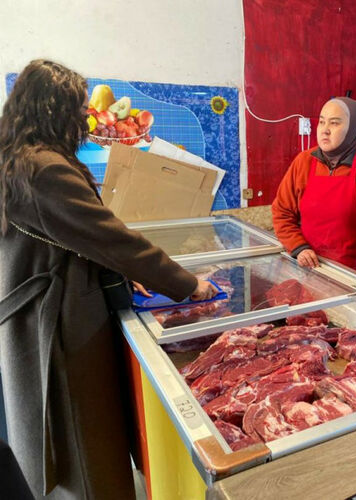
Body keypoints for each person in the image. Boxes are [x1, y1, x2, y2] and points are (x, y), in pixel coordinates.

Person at [0, 60, 217, 499]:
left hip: (36, 313)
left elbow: (73, 237)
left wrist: (122, 273)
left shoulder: (17, 159)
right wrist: (187, 284)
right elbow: (109, 237)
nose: (84, 117)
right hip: (57, 324)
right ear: (54, 109)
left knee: (68, 442)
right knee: (82, 443)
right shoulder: (44, 169)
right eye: (78, 108)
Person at [272, 97, 356, 296]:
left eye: (334, 123)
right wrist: (298, 247)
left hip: (353, 278)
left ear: (354, 128)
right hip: (309, 270)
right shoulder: (303, 162)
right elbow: (282, 212)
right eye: (322, 122)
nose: (325, 130)